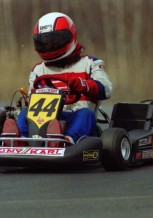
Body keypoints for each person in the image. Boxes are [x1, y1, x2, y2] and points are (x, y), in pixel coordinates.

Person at [17, 12, 112, 144]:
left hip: (79, 120)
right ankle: (20, 140)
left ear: (69, 37)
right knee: (25, 112)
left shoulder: (90, 64)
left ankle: (67, 140)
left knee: (86, 114)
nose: (48, 46)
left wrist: (84, 85)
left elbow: (107, 89)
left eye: (53, 41)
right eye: (44, 42)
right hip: (44, 123)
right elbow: (31, 101)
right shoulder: (38, 70)